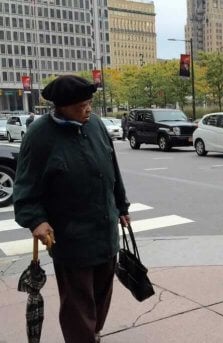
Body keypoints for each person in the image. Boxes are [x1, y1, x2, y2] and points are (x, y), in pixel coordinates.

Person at [13, 75, 130, 343]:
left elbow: (112, 170)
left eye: (89, 103)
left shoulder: (96, 125)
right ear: (61, 107)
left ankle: (93, 333)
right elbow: (25, 186)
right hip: (70, 235)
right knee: (77, 302)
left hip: (104, 230)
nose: (88, 109)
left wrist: (121, 205)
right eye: (81, 106)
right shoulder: (40, 136)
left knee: (102, 293)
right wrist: (36, 220)